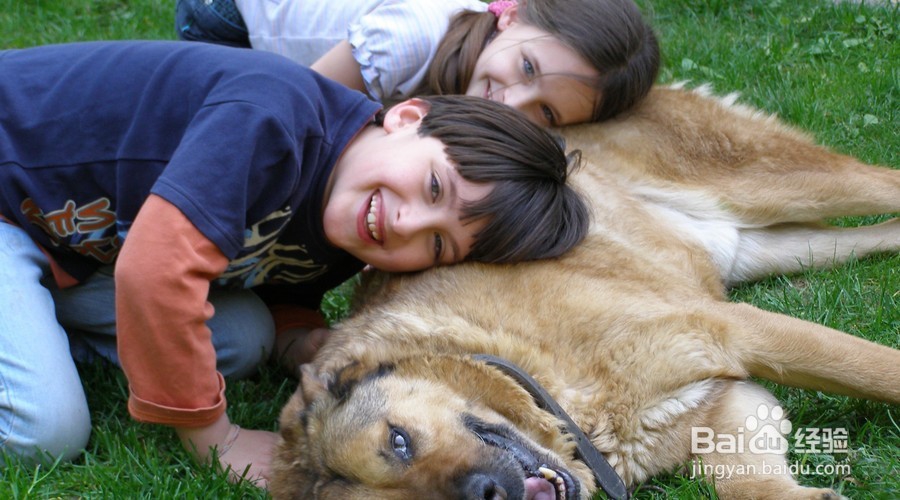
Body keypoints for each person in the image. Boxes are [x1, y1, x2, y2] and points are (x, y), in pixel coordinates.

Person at [0, 40, 588, 486]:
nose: (407, 223)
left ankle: (34, 326)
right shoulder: (272, 118)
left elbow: (283, 284)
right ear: (408, 118)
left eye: (436, 244)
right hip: (11, 203)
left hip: (68, 250)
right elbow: (156, 271)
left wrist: (301, 339)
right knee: (45, 432)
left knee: (242, 337)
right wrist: (215, 436)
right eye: (433, 186)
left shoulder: (353, 220)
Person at [175, 0, 660, 126]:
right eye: (528, 69)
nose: (512, 104)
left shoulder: (492, 49)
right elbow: (291, 107)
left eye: (547, 112)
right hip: (231, 20)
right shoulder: (410, 40)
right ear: (510, 15)